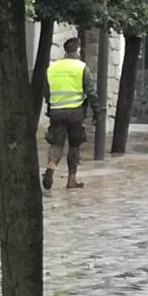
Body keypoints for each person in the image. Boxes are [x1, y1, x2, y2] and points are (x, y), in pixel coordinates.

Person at [43, 37, 99, 191]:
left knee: (56, 142)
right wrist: (96, 110)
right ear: (78, 50)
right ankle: (71, 179)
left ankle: (51, 165)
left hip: (56, 111)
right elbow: (91, 91)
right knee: (74, 145)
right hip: (75, 111)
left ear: (65, 51)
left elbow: (46, 92)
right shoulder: (81, 68)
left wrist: (50, 106)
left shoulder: (52, 68)